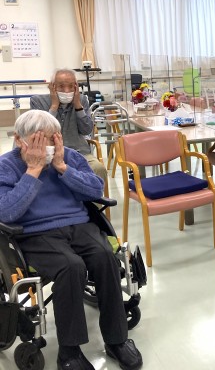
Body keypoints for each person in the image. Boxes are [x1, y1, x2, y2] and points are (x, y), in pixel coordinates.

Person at [0, 110, 142, 370]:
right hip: (34, 232)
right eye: (38, 140)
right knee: (71, 266)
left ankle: (117, 340)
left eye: (52, 139)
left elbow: (96, 190)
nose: (47, 146)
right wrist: (33, 171)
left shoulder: (70, 157)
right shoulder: (6, 166)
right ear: (19, 141)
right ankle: (69, 352)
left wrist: (63, 168)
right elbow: (6, 212)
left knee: (105, 257)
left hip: (78, 224)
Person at [30, 68, 108, 182]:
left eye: (71, 86)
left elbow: (86, 130)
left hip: (79, 152)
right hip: (49, 154)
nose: (66, 91)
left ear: (76, 87)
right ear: (52, 86)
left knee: (98, 169)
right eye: (61, 86)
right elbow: (41, 131)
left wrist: (78, 105)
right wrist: (54, 106)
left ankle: (91, 194)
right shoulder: (38, 101)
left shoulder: (82, 100)